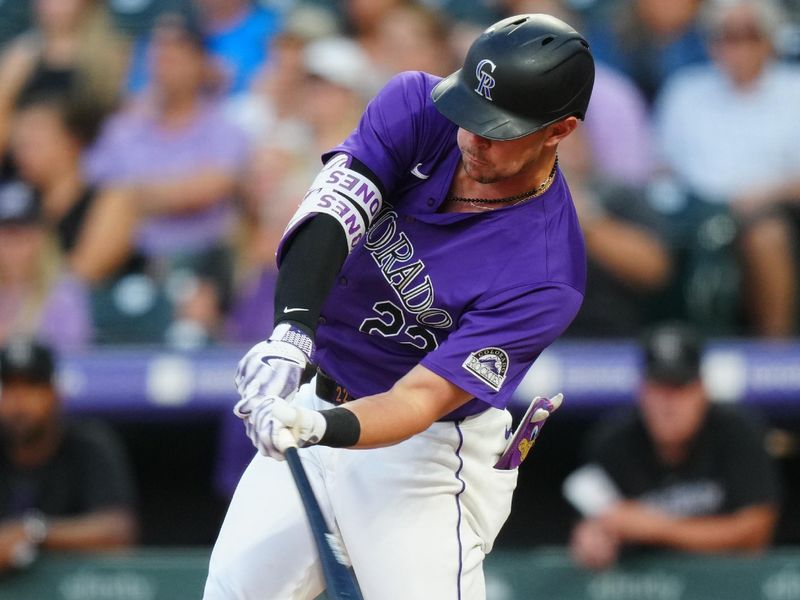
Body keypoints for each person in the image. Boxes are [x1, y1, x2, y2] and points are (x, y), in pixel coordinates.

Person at [205, 13, 594, 600]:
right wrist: (291, 334)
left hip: (426, 455)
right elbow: (332, 213)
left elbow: (420, 400)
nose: (471, 137)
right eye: (469, 112)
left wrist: (318, 427)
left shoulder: (547, 273)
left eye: (497, 128)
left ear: (558, 130)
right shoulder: (418, 105)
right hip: (318, 392)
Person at [567, 322, 781, 570]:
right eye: (658, 388)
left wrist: (655, 527)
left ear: (702, 390)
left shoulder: (736, 430)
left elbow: (755, 536)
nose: (667, 405)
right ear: (641, 391)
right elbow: (592, 523)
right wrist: (593, 539)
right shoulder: (612, 442)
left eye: (679, 388)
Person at [654, 0, 800, 336]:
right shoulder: (685, 90)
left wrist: (766, 195)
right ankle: (668, 348)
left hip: (772, 209)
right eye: (727, 36)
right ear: (711, 43)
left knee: (766, 235)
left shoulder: (795, 90)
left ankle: (775, 355)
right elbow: (660, 167)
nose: (738, 47)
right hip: (695, 210)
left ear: (771, 40)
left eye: (749, 35)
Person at [0, 338, 138, 572]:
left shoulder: (87, 443)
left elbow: (118, 533)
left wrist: (34, 533)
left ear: (55, 393)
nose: (19, 401)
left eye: (32, 387)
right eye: (10, 387)